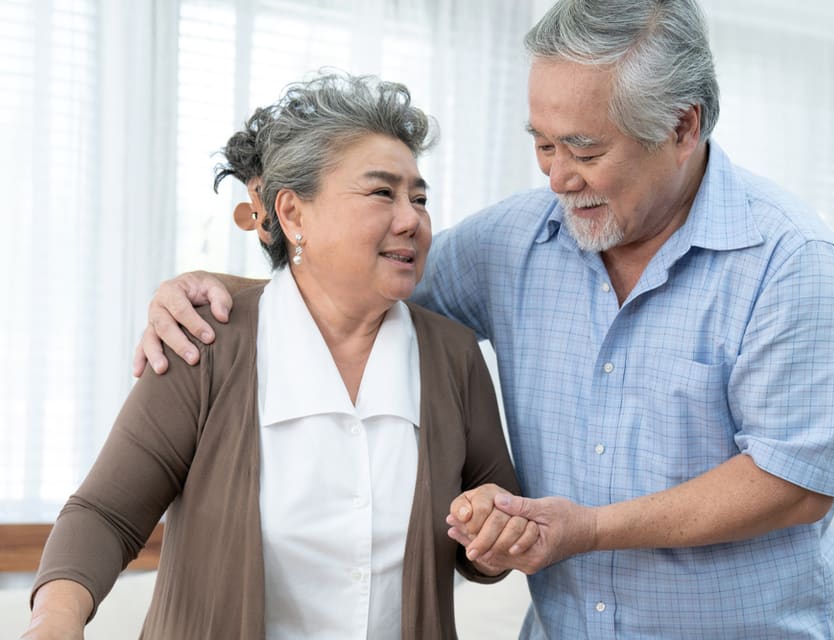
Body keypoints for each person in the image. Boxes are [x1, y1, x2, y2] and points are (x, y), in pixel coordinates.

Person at [134, 0, 834, 637]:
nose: (557, 177)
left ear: (683, 127)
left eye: (585, 149)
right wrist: (216, 292)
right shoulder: (515, 241)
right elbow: (355, 285)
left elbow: (793, 482)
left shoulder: (791, 263)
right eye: (543, 144)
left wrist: (588, 529)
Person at [21, 70, 527, 640]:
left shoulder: (453, 355)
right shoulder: (205, 341)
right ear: (292, 214)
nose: (412, 218)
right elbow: (105, 514)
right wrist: (53, 623)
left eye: (420, 198)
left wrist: (495, 532)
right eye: (382, 193)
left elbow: (495, 544)